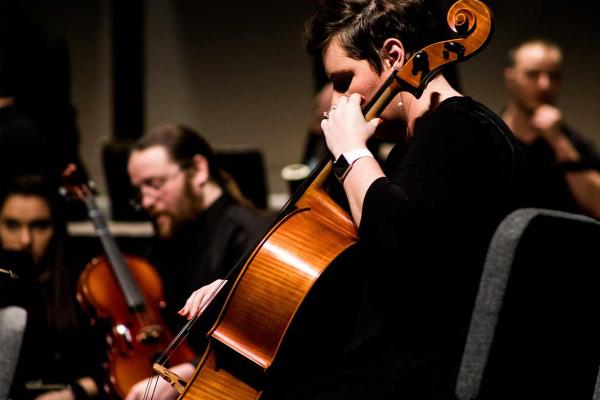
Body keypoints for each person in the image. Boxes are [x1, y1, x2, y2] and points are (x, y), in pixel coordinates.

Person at [180, 0, 528, 398]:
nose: (336, 100)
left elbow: (402, 247)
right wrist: (243, 291)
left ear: (394, 56)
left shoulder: (459, 129)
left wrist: (350, 152)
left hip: (420, 381)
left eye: (344, 80)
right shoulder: (411, 150)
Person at [124, 123, 272, 400]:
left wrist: (184, 375)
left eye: (155, 185)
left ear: (199, 170)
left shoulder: (250, 232)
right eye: (139, 190)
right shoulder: (168, 239)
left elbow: (259, 340)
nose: (146, 201)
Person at [0, 174, 106, 400]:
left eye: (39, 226)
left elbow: (111, 370)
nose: (25, 240)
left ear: (56, 228)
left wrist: (73, 393)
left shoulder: (84, 286)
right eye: (12, 225)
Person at [502, 38, 600, 219]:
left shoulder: (574, 144)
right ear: (511, 77)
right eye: (532, 74)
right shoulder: (488, 136)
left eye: (553, 76)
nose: (544, 85)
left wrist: (558, 142)